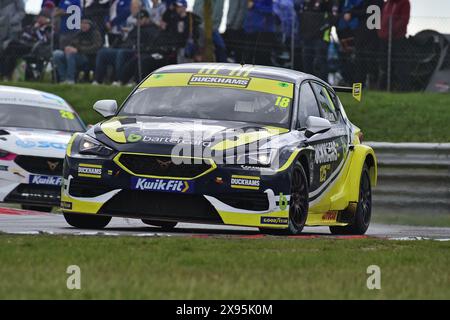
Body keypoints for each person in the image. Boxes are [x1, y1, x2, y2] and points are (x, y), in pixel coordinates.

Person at [296, 0, 338, 80]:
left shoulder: (327, 3)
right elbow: (302, 18)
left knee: (320, 63)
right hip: (307, 38)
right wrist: (302, 33)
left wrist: (320, 31)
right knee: (307, 63)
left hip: (321, 38)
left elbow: (332, 19)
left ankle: (323, 85)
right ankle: (308, 85)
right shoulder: (306, 3)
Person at [53, 19, 103, 84]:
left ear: (90, 25)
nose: (83, 25)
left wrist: (78, 50)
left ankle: (70, 79)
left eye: (86, 24)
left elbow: (96, 47)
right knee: (56, 54)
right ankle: (63, 79)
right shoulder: (78, 33)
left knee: (71, 54)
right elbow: (72, 43)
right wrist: (67, 48)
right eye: (82, 23)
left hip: (88, 57)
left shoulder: (95, 34)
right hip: (75, 55)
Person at [378, 0, 411, 91]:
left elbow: (404, 20)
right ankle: (384, 88)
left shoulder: (404, 3)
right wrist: (381, 32)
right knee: (384, 65)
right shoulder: (387, 4)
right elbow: (381, 19)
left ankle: (403, 89)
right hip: (384, 39)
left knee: (400, 65)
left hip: (397, 39)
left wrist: (391, 31)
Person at [243, 0, 277, 66]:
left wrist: (254, 6)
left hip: (264, 33)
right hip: (250, 30)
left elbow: (271, 10)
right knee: (249, 58)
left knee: (262, 59)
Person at [0, 0, 26, 80]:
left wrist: (13, 20)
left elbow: (22, 12)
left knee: (10, 52)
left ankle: (7, 75)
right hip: (2, 28)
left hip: (14, 29)